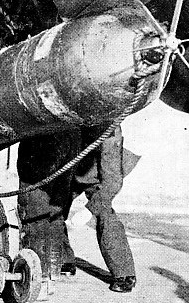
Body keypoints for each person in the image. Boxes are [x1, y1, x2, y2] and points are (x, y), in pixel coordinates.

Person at [69, 124, 137, 293]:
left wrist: (89, 210)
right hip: (64, 168)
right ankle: (61, 258)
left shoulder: (109, 126)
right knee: (47, 207)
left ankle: (124, 274)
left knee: (104, 211)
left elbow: (112, 182)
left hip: (93, 172)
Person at [16, 129, 81, 300]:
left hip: (43, 137)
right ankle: (51, 276)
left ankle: (38, 280)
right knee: (55, 212)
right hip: (71, 138)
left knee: (34, 212)